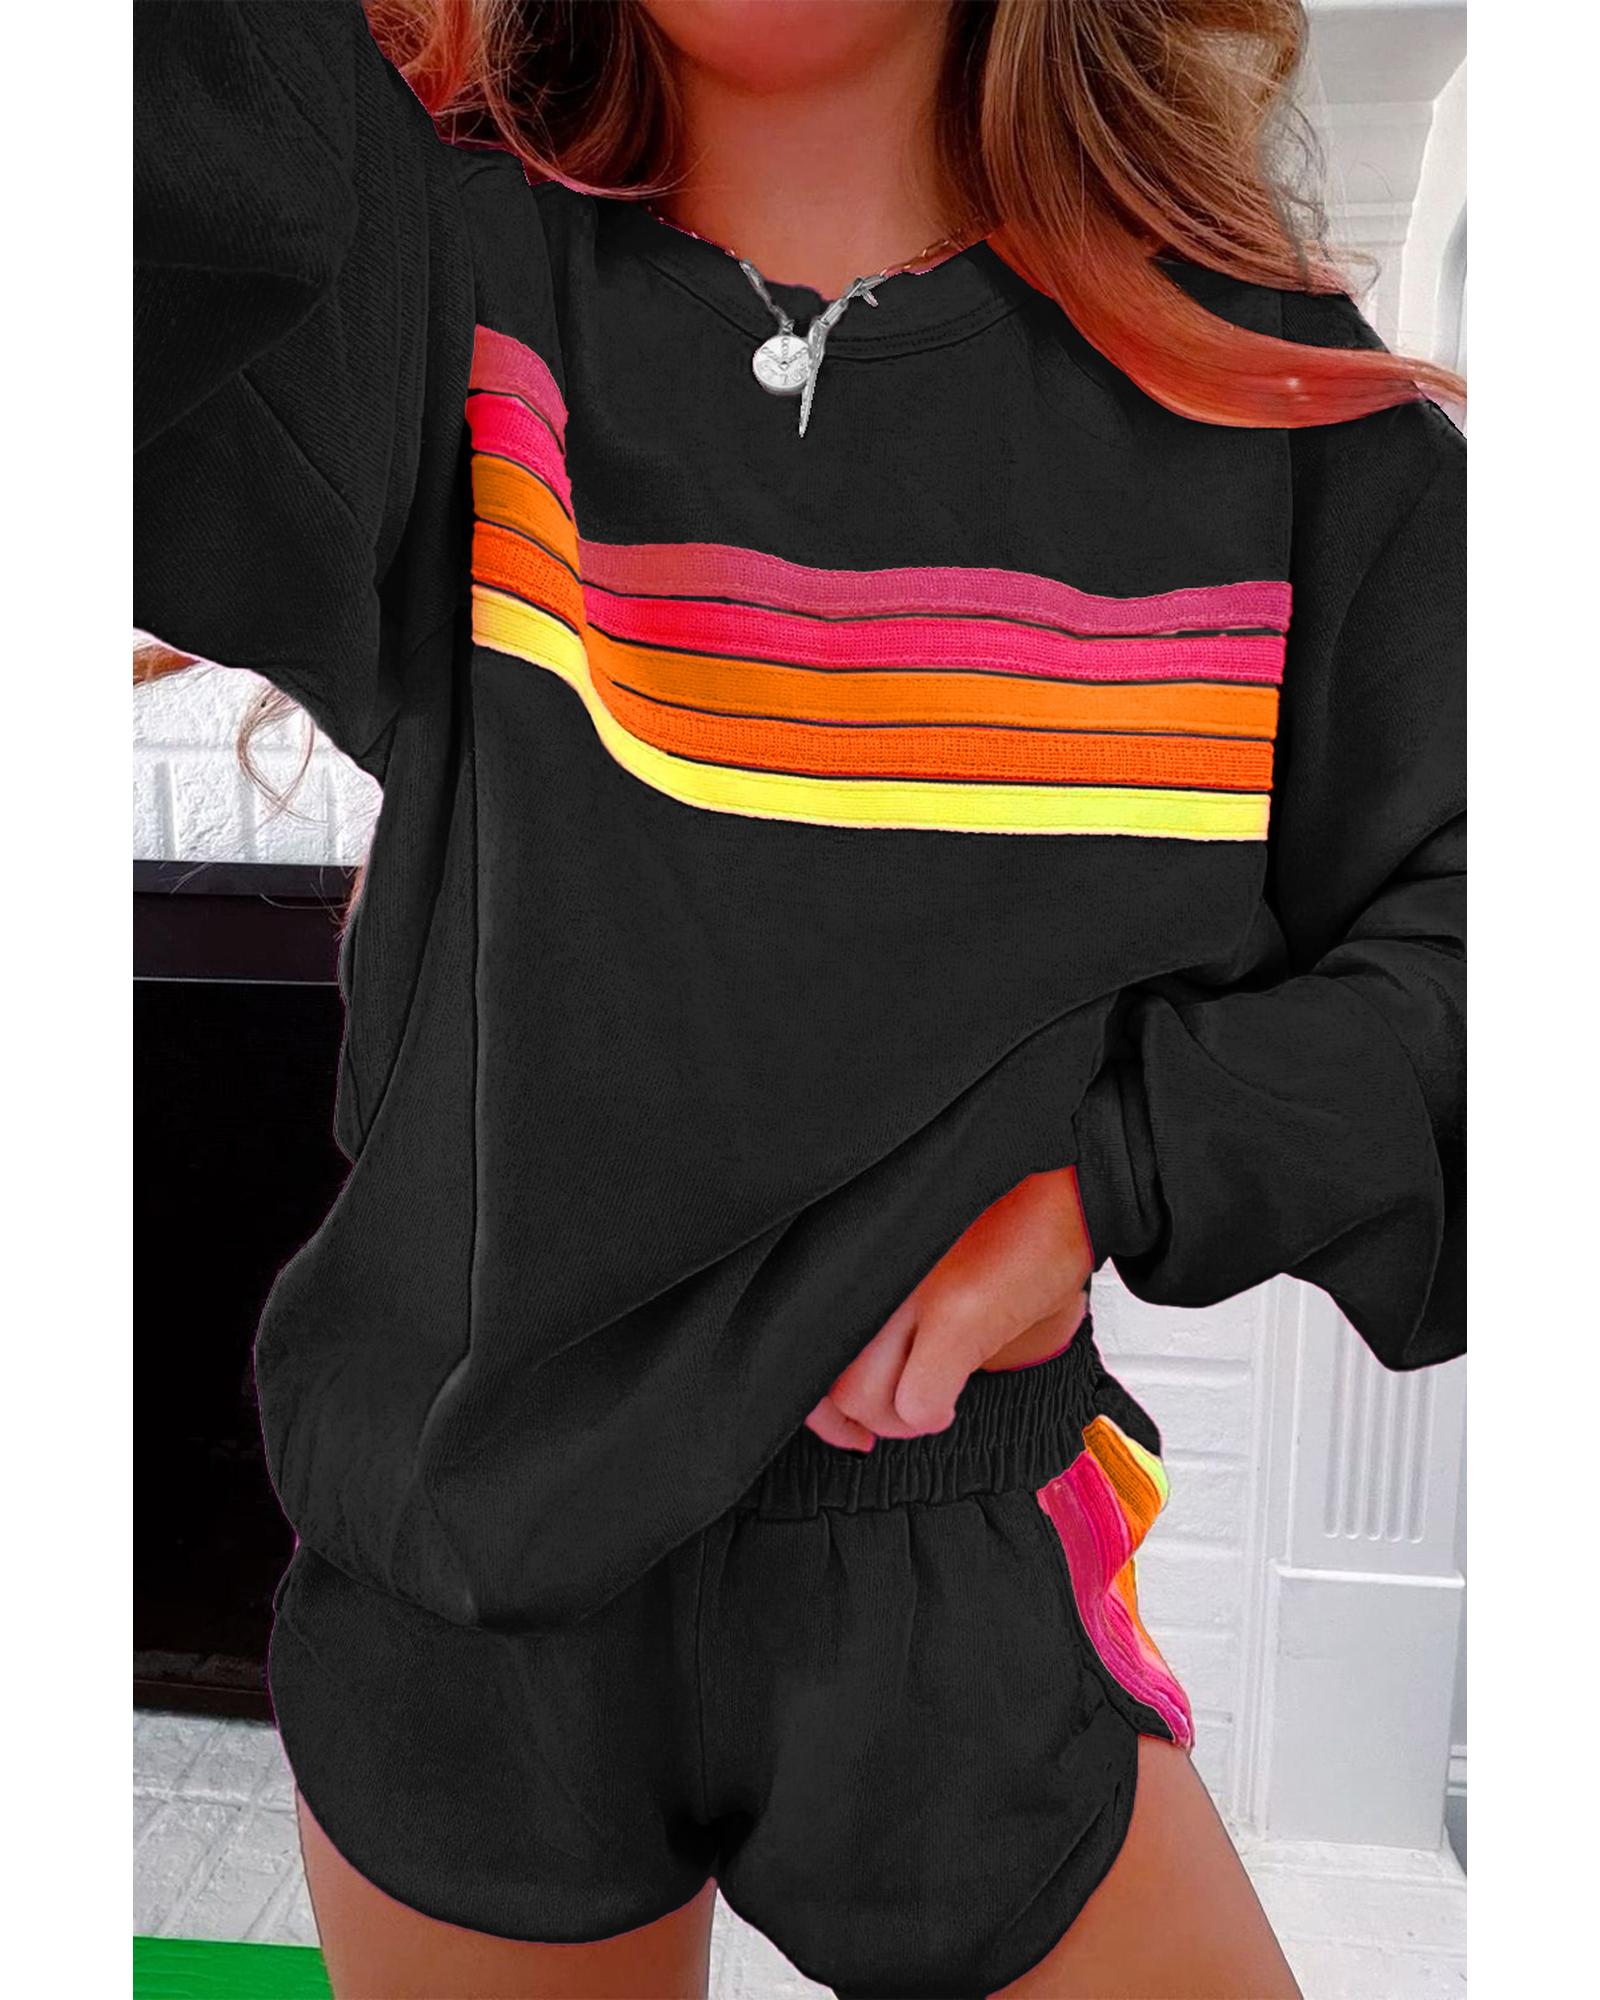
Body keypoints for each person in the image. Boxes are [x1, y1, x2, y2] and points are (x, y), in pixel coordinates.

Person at [134, 2, 1466, 1994]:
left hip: (946, 1557)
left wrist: (1123, 1168)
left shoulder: (1263, 399)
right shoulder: (425, 282)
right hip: (457, 1574)